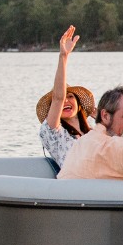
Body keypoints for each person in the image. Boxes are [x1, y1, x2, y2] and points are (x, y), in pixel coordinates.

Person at [36, 24, 94, 169]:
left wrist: (102, 116)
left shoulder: (94, 133)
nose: (66, 100)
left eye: (71, 97)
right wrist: (64, 56)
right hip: (76, 183)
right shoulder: (54, 133)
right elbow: (58, 98)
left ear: (79, 103)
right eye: (64, 97)